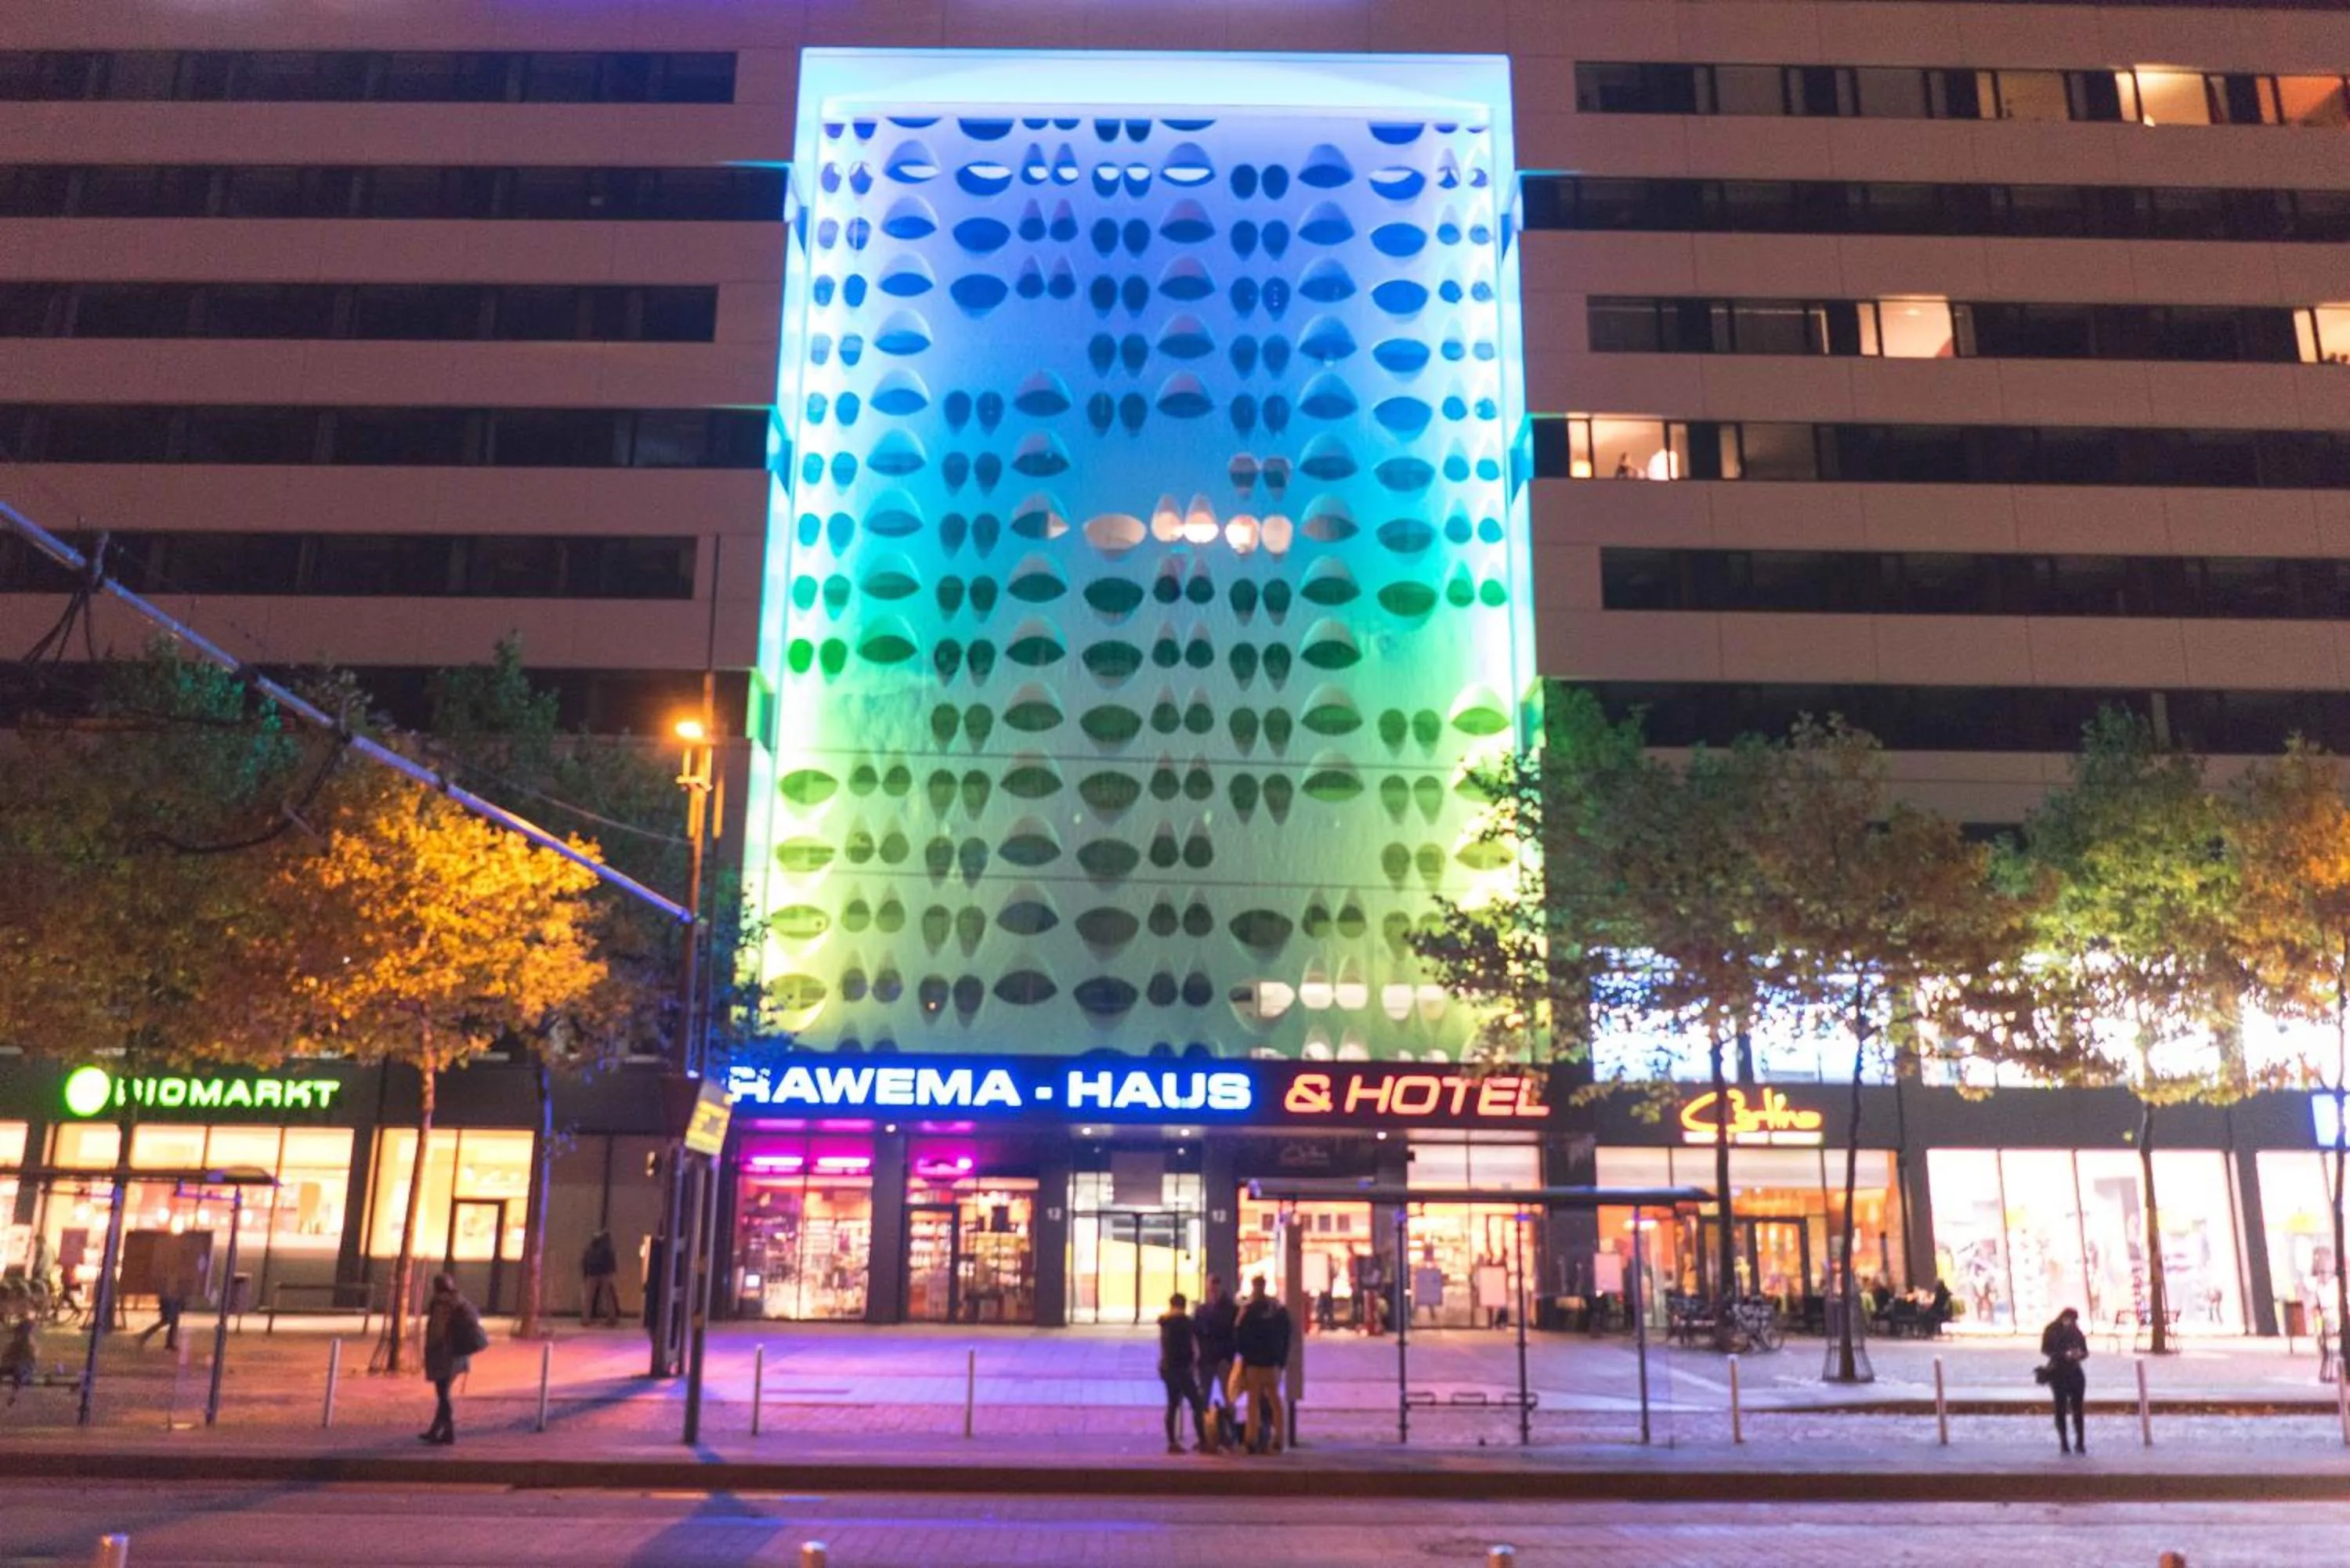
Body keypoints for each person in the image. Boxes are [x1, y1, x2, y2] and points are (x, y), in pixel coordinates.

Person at [421, 1273, 486, 1447]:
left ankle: (448, 1432)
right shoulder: (459, 1300)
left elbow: (437, 1332)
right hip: (459, 1355)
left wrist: (429, 1350)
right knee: (444, 1393)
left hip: (445, 1355)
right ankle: (435, 1430)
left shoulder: (441, 1304)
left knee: (443, 1395)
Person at [1232, 1276, 1292, 1454]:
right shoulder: (1276, 1309)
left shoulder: (1248, 1309)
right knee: (1275, 1401)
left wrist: (1245, 1356)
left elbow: (1238, 1333)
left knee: (1253, 1403)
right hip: (1271, 1363)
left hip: (1254, 1363)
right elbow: (1286, 1333)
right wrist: (1281, 1359)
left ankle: (1251, 1440)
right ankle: (1279, 1439)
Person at [1156, 1291, 1209, 1454]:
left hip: (1167, 1368)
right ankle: (1203, 1440)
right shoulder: (1185, 1323)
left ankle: (1172, 1442)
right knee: (1197, 1404)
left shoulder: (1165, 1322)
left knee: (1173, 1404)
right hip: (1183, 1369)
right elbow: (1202, 1332)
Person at [1192, 1275, 1239, 1450]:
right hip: (1208, 1359)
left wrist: (1228, 1356)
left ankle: (1229, 1433)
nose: (1213, 1291)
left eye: (1215, 1288)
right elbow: (1196, 1334)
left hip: (1220, 1359)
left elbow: (1234, 1335)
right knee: (1205, 1397)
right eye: (1211, 1288)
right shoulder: (1203, 1310)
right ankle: (1206, 1436)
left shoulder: (1228, 1309)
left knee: (1227, 1396)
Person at [2039, 1305, 2089, 1454]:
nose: (2072, 1322)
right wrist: (2063, 1354)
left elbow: (2085, 1350)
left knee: (2078, 1408)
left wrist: (2079, 1354)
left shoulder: (2076, 1331)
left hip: (2074, 1371)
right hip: (2058, 1372)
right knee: (2060, 1408)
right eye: (2071, 1319)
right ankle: (2064, 1442)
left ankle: (2080, 1442)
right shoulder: (2051, 1330)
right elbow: (2045, 1349)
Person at [580, 1230, 620, 1326]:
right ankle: (612, 1317)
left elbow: (585, 1261)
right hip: (604, 1273)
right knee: (608, 1296)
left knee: (589, 1297)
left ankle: (586, 1318)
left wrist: (585, 1273)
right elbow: (611, 1262)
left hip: (593, 1273)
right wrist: (612, 1271)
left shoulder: (590, 1249)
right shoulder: (607, 1249)